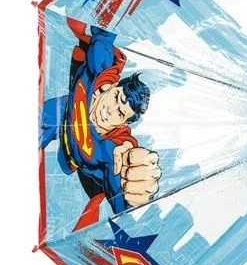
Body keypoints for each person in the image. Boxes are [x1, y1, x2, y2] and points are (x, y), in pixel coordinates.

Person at [40, 18, 162, 230]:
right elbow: (103, 33)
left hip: (73, 160)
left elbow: (119, 195)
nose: (110, 110)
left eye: (120, 113)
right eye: (116, 98)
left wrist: (133, 190)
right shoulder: (98, 70)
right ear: (111, 87)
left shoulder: (112, 151)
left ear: (123, 123)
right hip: (62, 112)